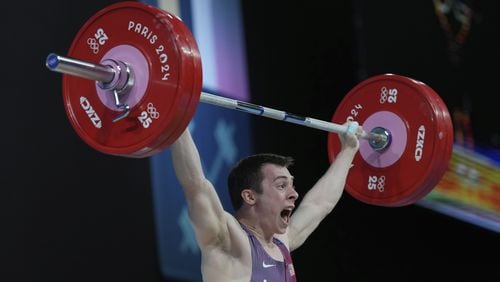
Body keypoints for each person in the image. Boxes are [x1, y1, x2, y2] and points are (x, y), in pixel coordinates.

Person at [170, 121, 362, 282]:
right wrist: (178, 116)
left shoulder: (282, 242)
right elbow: (195, 185)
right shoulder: (228, 240)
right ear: (250, 196)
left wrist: (348, 151)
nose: (294, 194)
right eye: (281, 185)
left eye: (292, 186)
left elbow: (320, 205)